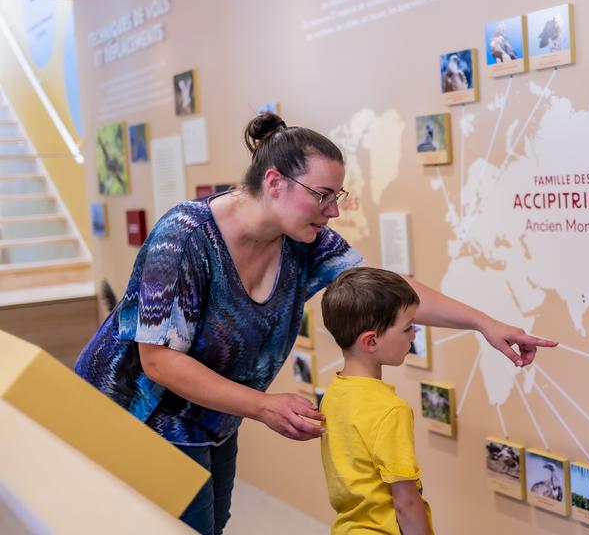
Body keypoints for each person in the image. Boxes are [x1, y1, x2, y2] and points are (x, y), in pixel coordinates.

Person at [74, 112, 554, 535]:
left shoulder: (302, 240)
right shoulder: (184, 239)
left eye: (336, 196)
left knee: (212, 524)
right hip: (138, 421)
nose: (334, 210)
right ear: (276, 181)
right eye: (323, 195)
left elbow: (385, 291)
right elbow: (158, 361)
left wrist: (483, 323)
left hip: (213, 420)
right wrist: (262, 406)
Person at [319, 267, 433, 535]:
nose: (413, 335)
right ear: (370, 341)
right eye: (407, 328)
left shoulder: (335, 393)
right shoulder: (391, 410)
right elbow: (405, 501)